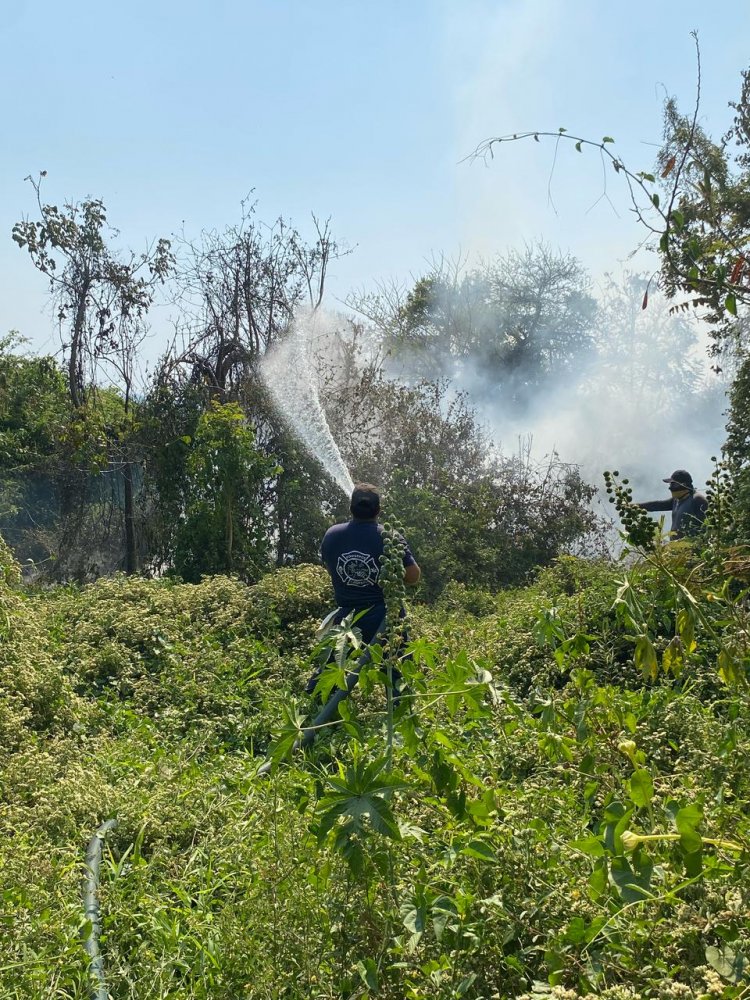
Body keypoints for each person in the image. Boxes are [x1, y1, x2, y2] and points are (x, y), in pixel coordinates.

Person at [305, 482, 420, 697]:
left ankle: (316, 709)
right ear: (378, 510)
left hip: (347, 617)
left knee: (332, 668)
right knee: (397, 673)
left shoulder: (331, 535)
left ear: (351, 508)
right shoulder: (389, 537)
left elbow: (329, 565)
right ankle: (400, 711)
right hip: (385, 616)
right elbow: (413, 577)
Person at [636, 469, 708, 539]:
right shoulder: (676, 500)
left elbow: (704, 528)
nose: (670, 488)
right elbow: (657, 505)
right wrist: (634, 506)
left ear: (683, 484)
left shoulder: (698, 500)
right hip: (675, 548)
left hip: (691, 548)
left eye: (673, 484)